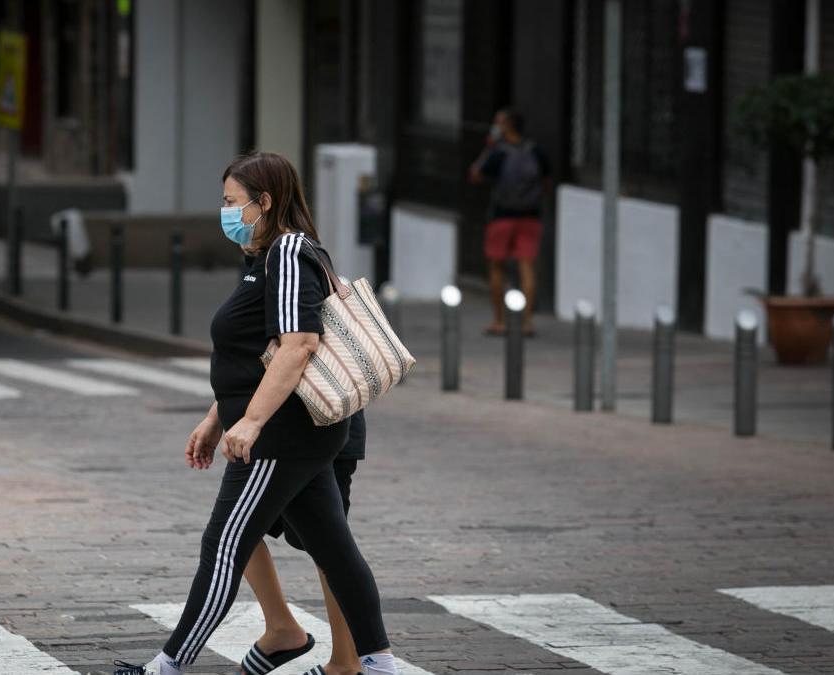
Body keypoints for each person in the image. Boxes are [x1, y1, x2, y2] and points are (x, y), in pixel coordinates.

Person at [113, 152, 399, 675]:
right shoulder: (266, 256)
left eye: (231, 202)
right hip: (296, 433)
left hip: (285, 434)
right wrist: (216, 416)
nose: (224, 211)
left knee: (224, 545)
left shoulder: (287, 252)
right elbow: (253, 359)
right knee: (332, 549)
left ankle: (167, 667)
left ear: (264, 202)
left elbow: (297, 346)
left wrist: (251, 422)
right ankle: (375, 665)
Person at [239, 410, 368, 675]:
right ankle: (281, 628)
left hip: (320, 418)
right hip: (271, 426)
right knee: (236, 529)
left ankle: (346, 662)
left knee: (329, 544)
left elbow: (291, 365)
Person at [468, 108, 551, 336]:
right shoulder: (536, 151)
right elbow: (546, 182)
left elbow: (475, 174)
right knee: (527, 267)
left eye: (498, 123)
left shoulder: (498, 153)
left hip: (502, 217)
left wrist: (489, 146)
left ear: (506, 126)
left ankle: (499, 320)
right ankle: (527, 322)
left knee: (496, 266)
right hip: (530, 217)